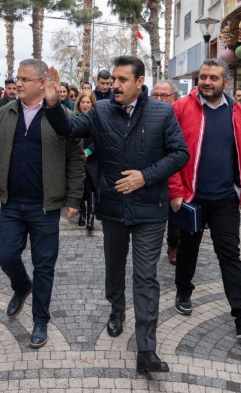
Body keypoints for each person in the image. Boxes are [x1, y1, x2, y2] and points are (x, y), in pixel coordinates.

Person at [43, 56, 189, 373]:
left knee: (146, 276)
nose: (115, 85)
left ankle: (146, 350)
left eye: (124, 80)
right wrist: (54, 104)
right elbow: (68, 128)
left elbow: (181, 154)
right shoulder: (102, 111)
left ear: (140, 82)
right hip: (113, 206)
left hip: (151, 208)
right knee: (114, 266)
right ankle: (117, 308)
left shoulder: (162, 112)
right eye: (114, 80)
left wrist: (145, 176)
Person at [0, 59, 84, 348]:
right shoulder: (6, 112)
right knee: (5, 255)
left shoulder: (61, 115)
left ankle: (40, 320)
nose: (18, 84)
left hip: (45, 206)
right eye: (17, 78)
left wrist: (74, 198)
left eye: (25, 79)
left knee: (44, 265)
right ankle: (21, 286)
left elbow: (76, 158)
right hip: (12, 202)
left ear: (43, 83)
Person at [168, 59, 241, 340]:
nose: (206, 82)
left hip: (226, 198)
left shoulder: (237, 112)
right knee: (189, 248)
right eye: (203, 77)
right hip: (192, 197)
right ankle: (183, 290)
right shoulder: (182, 108)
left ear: (226, 81)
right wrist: (176, 190)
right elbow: (168, 152)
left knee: (231, 256)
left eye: (213, 77)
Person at [152, 80, 181, 265]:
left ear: (174, 98)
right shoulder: (145, 115)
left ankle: (174, 246)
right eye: (156, 95)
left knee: (176, 216)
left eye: (164, 96)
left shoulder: (178, 116)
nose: (160, 99)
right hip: (150, 178)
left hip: (174, 175)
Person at [74, 91, 98, 231]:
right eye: (82, 102)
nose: (85, 105)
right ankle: (82, 214)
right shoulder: (74, 117)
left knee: (91, 188)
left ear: (92, 104)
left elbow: (98, 139)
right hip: (77, 158)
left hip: (92, 159)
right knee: (79, 188)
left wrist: (88, 152)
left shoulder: (97, 119)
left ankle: (90, 218)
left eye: (88, 102)